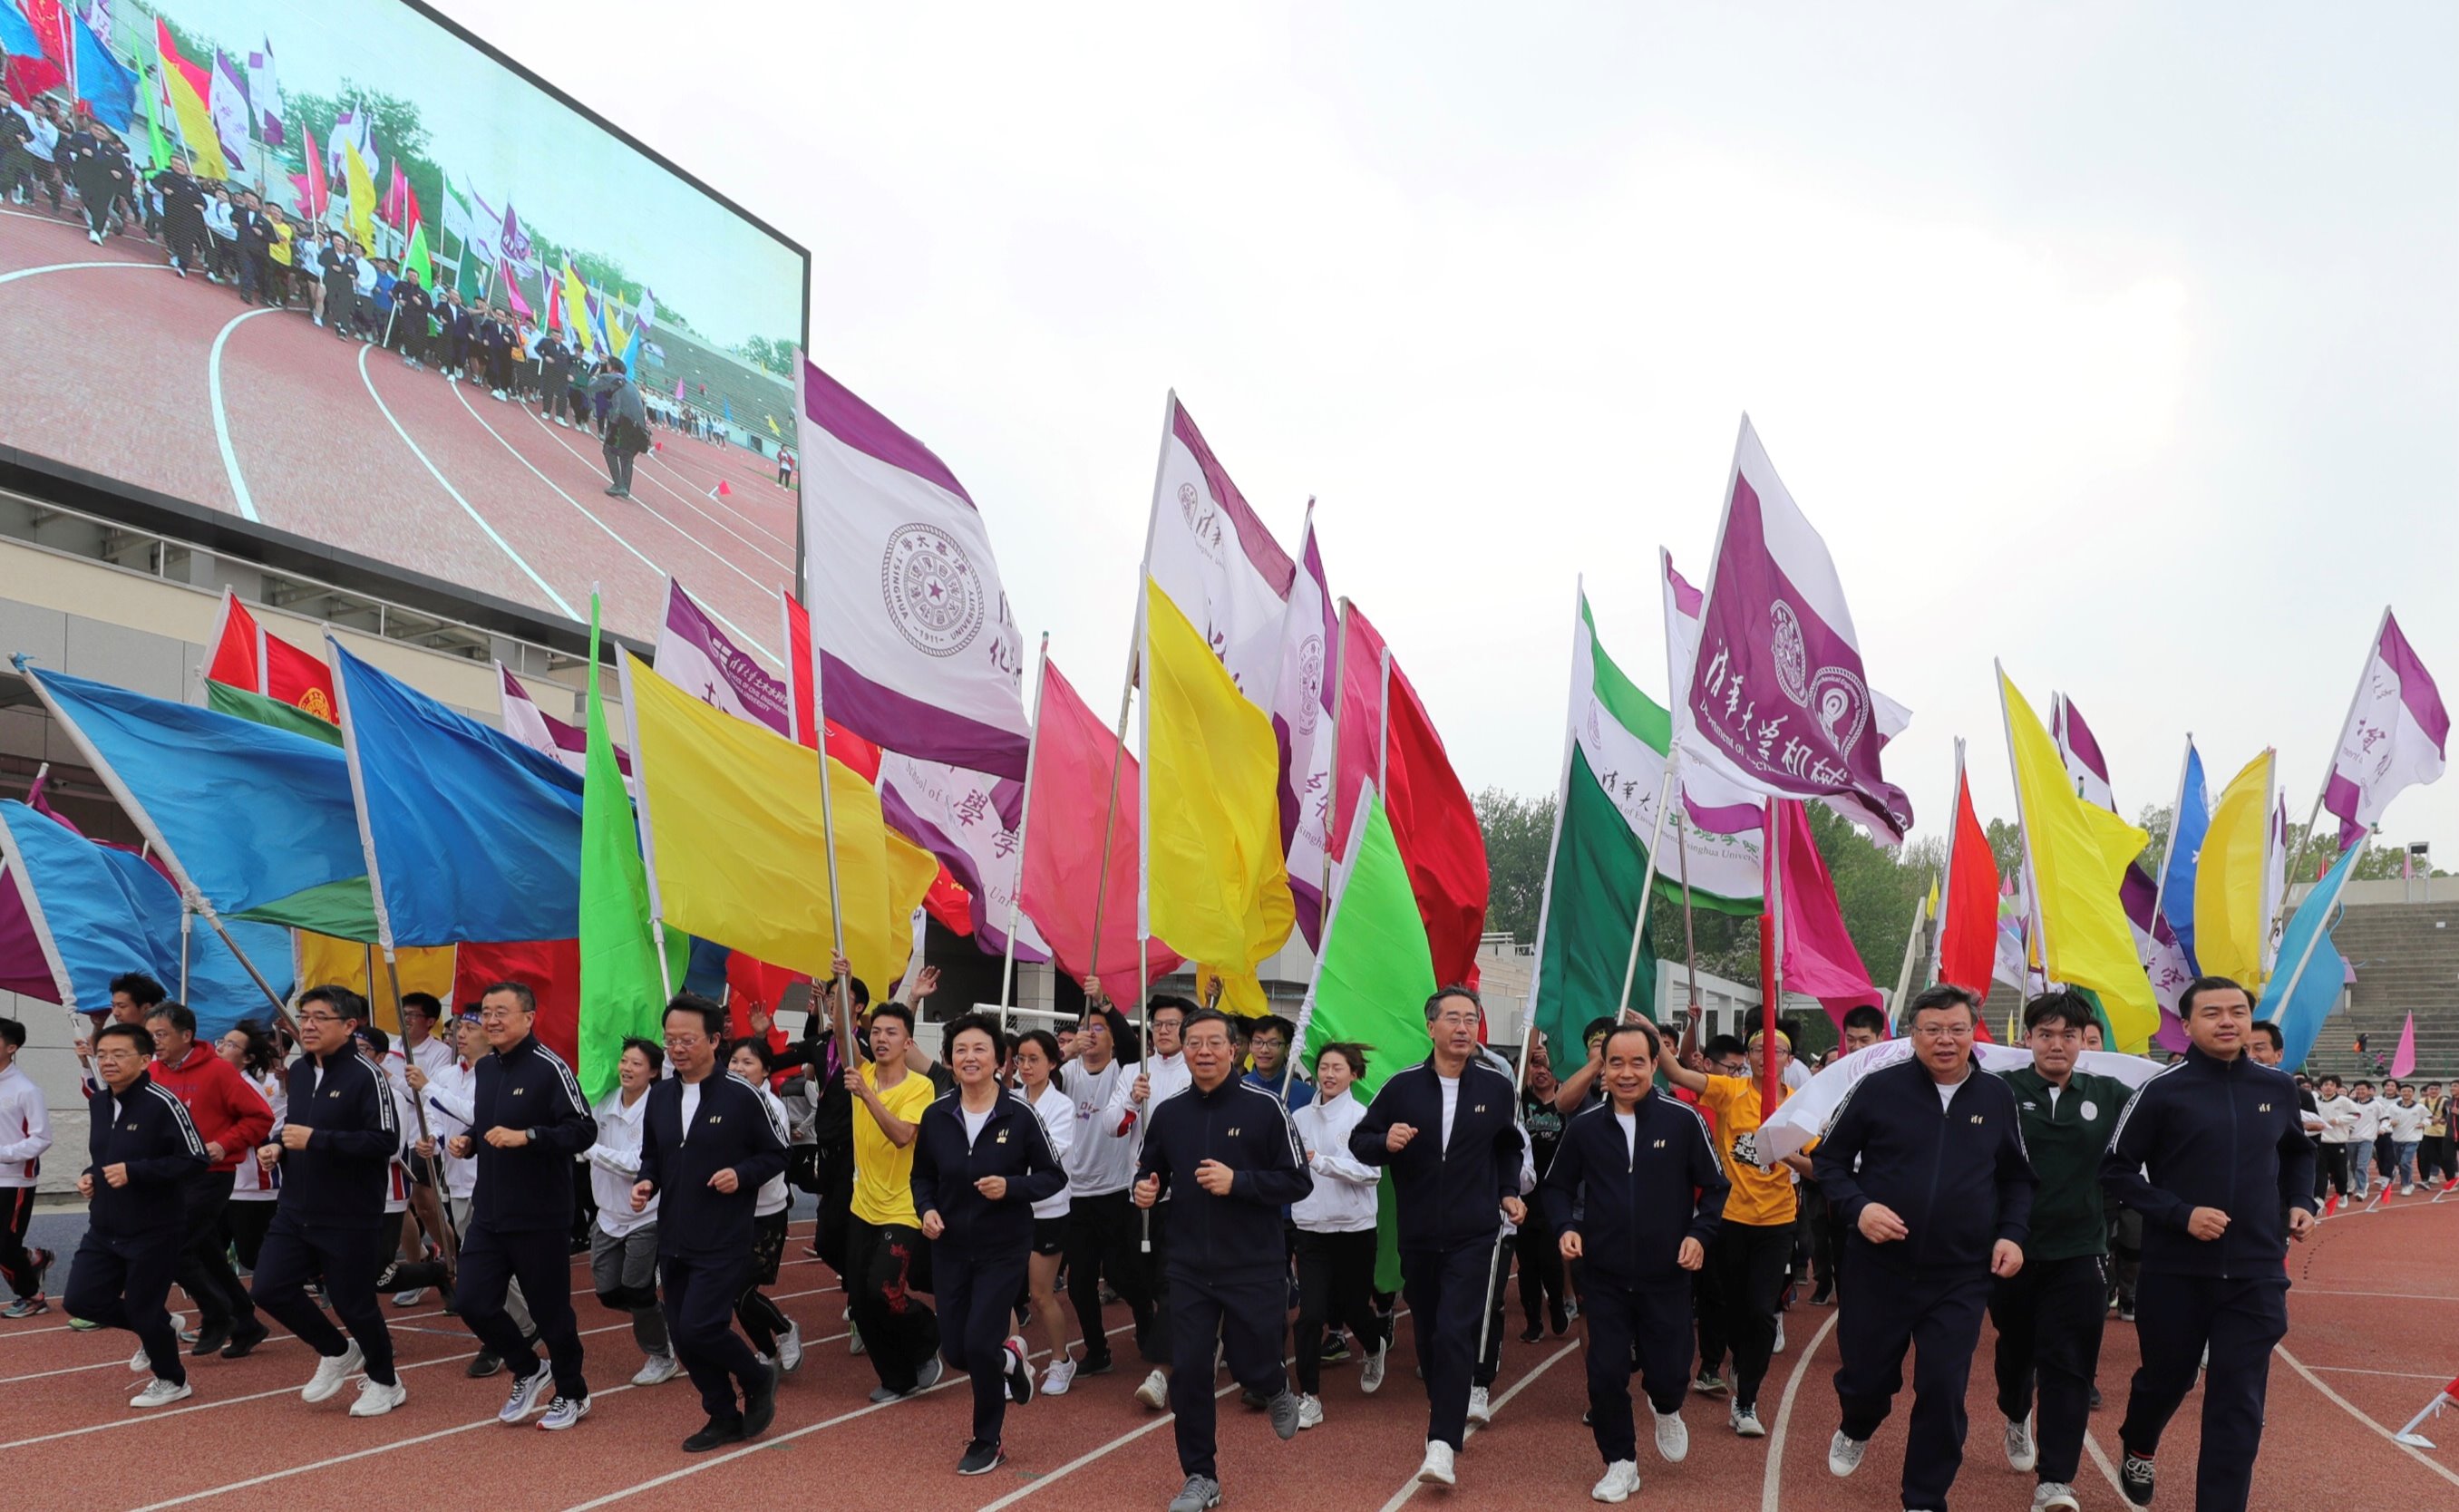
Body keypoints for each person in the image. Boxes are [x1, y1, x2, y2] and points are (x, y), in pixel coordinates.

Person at [1816, 984, 2036, 1512]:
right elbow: (1829, 1162)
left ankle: (1924, 1497)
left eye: (1957, 1029)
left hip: (1959, 1275)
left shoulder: (1996, 1097)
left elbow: (2018, 1180)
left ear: (1972, 1033)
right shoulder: (1878, 1088)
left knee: (1942, 1390)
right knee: (1867, 1379)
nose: (1945, 1040)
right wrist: (1859, 1207)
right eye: (1932, 1030)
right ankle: (1857, 1423)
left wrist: (2011, 1233)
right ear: (1913, 1035)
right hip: (1878, 1268)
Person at [2104, 975, 2318, 1511]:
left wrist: (2300, 1201)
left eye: (2238, 1012)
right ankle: (2140, 1441)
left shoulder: (2276, 1087)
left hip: (2256, 1270)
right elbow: (2115, 1170)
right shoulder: (2162, 1091)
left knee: (2239, 1400)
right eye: (2213, 1013)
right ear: (2188, 1025)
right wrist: (2180, 1215)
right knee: (2166, 1380)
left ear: (2250, 1020)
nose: (2228, 1022)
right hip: (2177, 1269)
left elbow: (2298, 1152)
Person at [1352, 986, 1528, 1489]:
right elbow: (1360, 1142)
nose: (1462, 1028)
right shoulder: (1402, 1087)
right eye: (1452, 1018)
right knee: (1430, 1335)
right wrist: (1385, 1142)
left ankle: (1441, 1443)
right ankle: (1444, 1407)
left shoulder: (1496, 1088)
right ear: (1431, 1027)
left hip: (1476, 1232)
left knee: (1456, 1332)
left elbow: (1508, 1148)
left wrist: (1508, 1192)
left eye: (1470, 1019)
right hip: (1420, 1234)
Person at [1133, 1007, 1309, 1512]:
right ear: (1182, 1050)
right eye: (1194, 1043)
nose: (1203, 1052)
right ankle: (1201, 1476)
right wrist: (1144, 1188)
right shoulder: (1169, 1113)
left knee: (1251, 1362)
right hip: (1188, 1265)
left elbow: (1299, 1180)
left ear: (1234, 1050)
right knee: (1189, 1371)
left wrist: (1240, 1183)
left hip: (1252, 1264)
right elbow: (1150, 1169)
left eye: (1214, 1043)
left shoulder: (1265, 1108)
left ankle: (1275, 1384)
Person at [1547, 1020, 1727, 1503]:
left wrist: (1699, 1235)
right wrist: (1565, 1227)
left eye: (1637, 1063)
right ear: (1602, 1068)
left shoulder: (1682, 1121)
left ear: (1655, 1065)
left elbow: (1715, 1189)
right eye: (1616, 1063)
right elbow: (1557, 1187)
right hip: (1602, 1276)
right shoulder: (1585, 1128)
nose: (1626, 1073)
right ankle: (1620, 1462)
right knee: (1604, 1373)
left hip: (1666, 1275)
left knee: (1669, 1371)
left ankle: (1666, 1406)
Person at [1989, 992, 2132, 1512]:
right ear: (2027, 1039)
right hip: (2010, 1250)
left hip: (2079, 1250)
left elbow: (2162, 1129)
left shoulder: (2109, 1093)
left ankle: (2056, 1480)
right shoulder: (2000, 1091)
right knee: (2015, 1354)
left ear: (2083, 1042)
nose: (2057, 1044)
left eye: (2068, 1035)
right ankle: (2014, 1412)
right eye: (2045, 1034)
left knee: (2069, 1364)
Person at [631, 994, 788, 1451]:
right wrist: (646, 1182)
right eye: (670, 1040)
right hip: (673, 1236)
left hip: (723, 1236)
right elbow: (652, 1156)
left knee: (701, 1327)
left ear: (714, 1040)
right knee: (683, 1335)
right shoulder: (659, 1095)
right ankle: (721, 1414)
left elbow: (777, 1154)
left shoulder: (741, 1095)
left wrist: (741, 1175)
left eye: (687, 1040)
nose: (677, 1048)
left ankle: (757, 1375)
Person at [913, 1014, 1065, 1474]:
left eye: (980, 1049)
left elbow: (1053, 1176)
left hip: (1004, 1247)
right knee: (957, 1351)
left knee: (978, 1341)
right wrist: (926, 1210)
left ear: (1000, 1060)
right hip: (950, 1245)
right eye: (961, 1050)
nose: (970, 1057)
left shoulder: (1020, 1115)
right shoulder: (936, 1115)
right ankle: (1009, 1357)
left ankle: (988, 1439)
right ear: (948, 1059)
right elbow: (922, 1175)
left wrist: (1012, 1188)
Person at [249, 985, 408, 1417]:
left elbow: (385, 1142)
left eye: (321, 1017)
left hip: (349, 1211)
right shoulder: (300, 1071)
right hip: (295, 1206)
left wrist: (318, 1140)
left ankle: (385, 1380)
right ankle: (337, 1350)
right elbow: (296, 1127)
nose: (310, 1025)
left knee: (353, 1302)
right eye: (305, 1017)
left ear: (349, 1025)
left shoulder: (366, 1075)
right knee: (268, 1288)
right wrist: (280, 1146)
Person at [444, 983, 597, 1430]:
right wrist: (468, 1142)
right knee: (472, 1301)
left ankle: (572, 1391)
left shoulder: (550, 1067)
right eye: (485, 1012)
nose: (490, 1021)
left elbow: (583, 1130)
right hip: (489, 1212)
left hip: (539, 1216)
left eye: (501, 1012)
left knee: (551, 1314)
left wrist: (528, 1136)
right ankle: (528, 1368)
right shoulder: (487, 1069)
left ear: (529, 1018)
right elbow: (487, 1125)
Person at [1661, 1013, 1807, 1435]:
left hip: (1777, 1221)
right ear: (1749, 1057)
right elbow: (1677, 1072)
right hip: (1729, 1219)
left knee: (1761, 1312)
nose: (1767, 1056)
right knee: (1730, 1305)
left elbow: (1818, 1167)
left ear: (1788, 1058)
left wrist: (1784, 1151)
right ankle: (1726, 1364)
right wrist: (1656, 1038)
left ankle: (1746, 1400)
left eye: (1775, 1050)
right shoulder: (1730, 1092)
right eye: (1759, 1049)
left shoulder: (1798, 1103)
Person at [64, 1021, 208, 1409]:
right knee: (81, 1300)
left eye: (119, 1054)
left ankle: (172, 1379)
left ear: (145, 1060)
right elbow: (105, 1158)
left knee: (144, 1311)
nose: (108, 1062)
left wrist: (136, 1172)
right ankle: (162, 1325)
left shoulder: (164, 1103)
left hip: (154, 1229)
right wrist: (89, 1177)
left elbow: (196, 1160)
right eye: (103, 1054)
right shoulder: (99, 1101)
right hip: (105, 1226)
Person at [142, 1003, 274, 1360]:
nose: (155, 1041)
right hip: (170, 1177)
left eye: (161, 1034)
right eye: (150, 1034)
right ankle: (246, 1322)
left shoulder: (218, 1072)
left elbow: (261, 1118)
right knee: (207, 1253)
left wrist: (224, 1144)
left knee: (173, 1246)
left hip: (210, 1175)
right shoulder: (152, 1071)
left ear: (186, 1036)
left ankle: (217, 1314)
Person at [846, 999, 942, 1401]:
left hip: (904, 1207)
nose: (881, 1039)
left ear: (907, 1042)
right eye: (876, 1032)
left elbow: (903, 1135)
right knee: (859, 1300)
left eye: (891, 1033)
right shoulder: (862, 1070)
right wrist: (840, 985)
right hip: (861, 1205)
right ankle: (895, 1376)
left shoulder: (921, 1086)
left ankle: (928, 1334)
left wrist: (867, 1096)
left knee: (883, 1290)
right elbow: (839, 1031)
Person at [1290, 1042, 1387, 1429]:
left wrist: (1323, 1162)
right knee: (1310, 1314)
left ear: (1354, 1074)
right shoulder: (1297, 1116)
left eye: (1338, 1068)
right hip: (1311, 1228)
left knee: (1352, 1308)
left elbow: (1372, 1173)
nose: (1329, 1074)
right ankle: (1309, 1396)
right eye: (1324, 1067)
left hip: (1354, 1228)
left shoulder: (1364, 1117)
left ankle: (1375, 1343)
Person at [1061, 998, 1155, 1386]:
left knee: (1122, 1272)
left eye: (1100, 1028)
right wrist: (1066, 1050)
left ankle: (1148, 1328)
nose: (1092, 1034)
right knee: (1080, 1282)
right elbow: (1041, 1075)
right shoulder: (1067, 1072)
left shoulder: (1124, 1069)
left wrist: (1106, 1004)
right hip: (1075, 1193)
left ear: (1113, 1039)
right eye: (1086, 1028)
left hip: (1117, 1190)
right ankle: (1097, 1351)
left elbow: (1134, 1047)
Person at [1110, 993, 1194, 1410]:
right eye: (1157, 1024)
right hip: (1138, 1192)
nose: (1163, 1031)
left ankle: (1163, 1370)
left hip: (1182, 1198)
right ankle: (1160, 1331)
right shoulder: (1132, 1072)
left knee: (1171, 1282)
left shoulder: (1194, 1072)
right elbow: (1112, 1124)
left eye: (1172, 1024)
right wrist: (1131, 1100)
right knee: (1130, 1276)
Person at [582, 1036, 678, 1386]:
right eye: (624, 1061)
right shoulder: (604, 1101)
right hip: (607, 1215)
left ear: (654, 1071)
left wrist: (589, 1149)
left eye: (637, 1064)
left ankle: (661, 1355)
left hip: (646, 1216)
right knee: (608, 1293)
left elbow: (638, 1164)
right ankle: (662, 1318)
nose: (627, 1068)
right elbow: (584, 1141)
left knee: (637, 1290)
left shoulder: (659, 1108)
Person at [724, 1037, 802, 1376]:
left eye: (748, 1063)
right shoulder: (719, 1102)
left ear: (766, 1070)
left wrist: (737, 1175)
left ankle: (785, 1329)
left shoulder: (773, 1107)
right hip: (727, 1212)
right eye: (735, 1062)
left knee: (741, 1288)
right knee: (732, 1291)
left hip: (764, 1213)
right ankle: (768, 1352)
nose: (739, 1069)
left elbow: (773, 1159)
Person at [1010, 1029, 1079, 1391]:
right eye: (1020, 1059)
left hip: (1047, 1211)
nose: (1025, 1066)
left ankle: (1060, 1360)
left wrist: (1010, 1174)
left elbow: (1052, 1158)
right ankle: (1011, 1362)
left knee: (1039, 1295)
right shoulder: (1010, 1099)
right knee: (1004, 1291)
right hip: (1008, 1210)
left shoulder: (1062, 1107)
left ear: (1052, 1063)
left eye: (1034, 1059)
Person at [216, 1022, 285, 1281]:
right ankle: (228, 1315)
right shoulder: (220, 1082)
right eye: (221, 1041)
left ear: (247, 1058)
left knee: (253, 1256)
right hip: (223, 1181)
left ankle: (314, 1270)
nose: (221, 1048)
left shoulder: (246, 1086)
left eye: (231, 1045)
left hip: (253, 1183)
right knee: (205, 1250)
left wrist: (220, 1143)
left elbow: (259, 1126)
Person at [1515, 1040, 1572, 1342]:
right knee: (1527, 1265)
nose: (1541, 1072)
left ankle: (1557, 1303)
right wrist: (1530, 1050)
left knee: (1550, 1260)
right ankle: (1533, 1321)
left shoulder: (1566, 1104)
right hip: (1524, 1195)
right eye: (1537, 1065)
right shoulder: (1522, 1102)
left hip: (1555, 1194)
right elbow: (1520, 1073)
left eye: (1548, 1067)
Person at [0, 1014, 55, 1318]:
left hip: (15, 1180)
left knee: (5, 1245)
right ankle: (33, 1257)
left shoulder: (25, 1089)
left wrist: (5, 1154)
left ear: (12, 1047)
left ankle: (33, 1297)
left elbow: (41, 1138)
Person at [593, 362, 650, 498]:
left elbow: (593, 388)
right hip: (639, 426)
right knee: (627, 456)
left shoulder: (613, 379)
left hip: (621, 421)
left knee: (608, 450)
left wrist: (595, 376)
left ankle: (618, 485)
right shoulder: (633, 386)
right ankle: (625, 488)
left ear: (612, 369)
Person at [2383, 1083, 2428, 1196]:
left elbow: (2429, 1118)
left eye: (2409, 1091)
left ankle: (2406, 1185)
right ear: (2400, 1092)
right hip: (2396, 1139)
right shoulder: (2393, 1107)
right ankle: (2410, 1182)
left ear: (2413, 1093)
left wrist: (2423, 1124)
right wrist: (2390, 1122)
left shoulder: (2420, 1107)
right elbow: (2385, 1118)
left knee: (2405, 1162)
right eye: (2404, 1091)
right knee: (2400, 1163)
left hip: (2413, 1139)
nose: (2406, 1093)